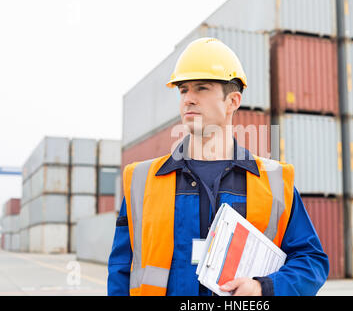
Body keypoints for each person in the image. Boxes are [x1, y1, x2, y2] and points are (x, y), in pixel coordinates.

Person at [107, 37, 329, 296]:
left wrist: (263, 288)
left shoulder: (275, 182)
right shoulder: (142, 180)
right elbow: (121, 269)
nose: (188, 99)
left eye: (201, 88)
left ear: (232, 101)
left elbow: (311, 262)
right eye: (183, 90)